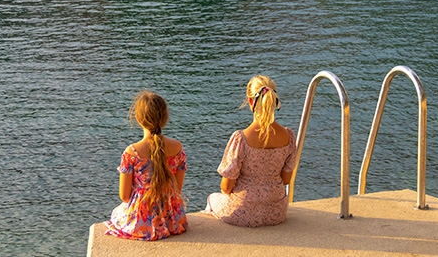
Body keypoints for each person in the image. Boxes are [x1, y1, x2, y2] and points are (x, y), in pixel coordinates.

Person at [204, 75, 297, 227]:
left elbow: (226, 187)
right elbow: (286, 180)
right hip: (277, 211)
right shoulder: (289, 136)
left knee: (212, 199)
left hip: (243, 211)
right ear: (274, 99)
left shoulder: (241, 139)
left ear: (250, 101)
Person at [104, 91, 187, 241]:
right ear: (165, 118)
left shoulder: (132, 153)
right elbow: (177, 189)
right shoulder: (177, 147)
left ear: (137, 118)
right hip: (173, 219)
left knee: (117, 212)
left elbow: (124, 197)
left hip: (142, 222)